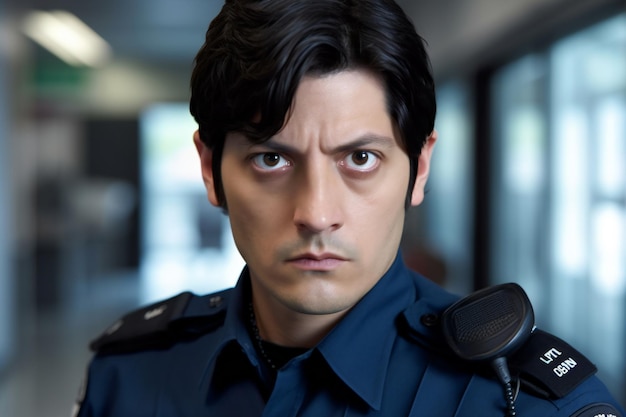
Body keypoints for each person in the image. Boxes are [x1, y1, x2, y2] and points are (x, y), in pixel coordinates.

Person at [73, 0, 625, 416]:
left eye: (360, 157)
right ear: (210, 171)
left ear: (419, 169)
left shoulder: (524, 403)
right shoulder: (128, 375)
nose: (315, 212)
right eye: (271, 159)